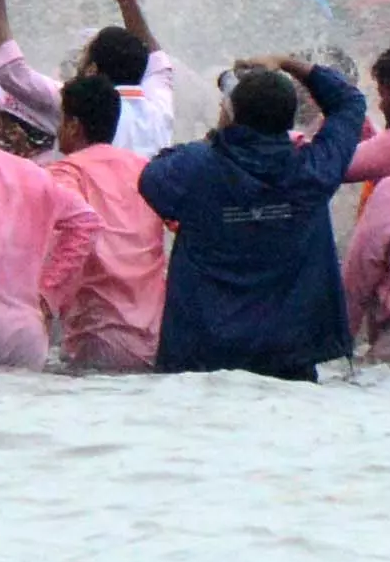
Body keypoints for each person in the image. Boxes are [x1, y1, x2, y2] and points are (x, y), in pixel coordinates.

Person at [137, 58, 368, 378]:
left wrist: (217, 135)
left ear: (230, 114)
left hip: (199, 358)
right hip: (288, 358)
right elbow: (350, 102)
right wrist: (289, 63)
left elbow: (151, 179)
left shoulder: (195, 168)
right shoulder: (314, 172)